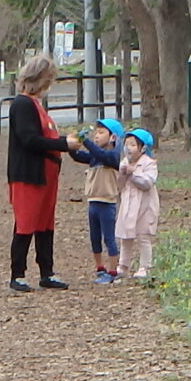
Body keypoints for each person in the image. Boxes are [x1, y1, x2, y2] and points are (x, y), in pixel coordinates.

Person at [3, 52, 76, 292]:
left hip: (47, 174)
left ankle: (47, 271)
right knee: (25, 224)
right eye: (48, 79)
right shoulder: (22, 104)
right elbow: (29, 139)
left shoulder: (36, 104)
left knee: (45, 224)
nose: (49, 85)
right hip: (28, 175)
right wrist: (63, 144)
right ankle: (18, 275)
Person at [73, 116, 126, 285]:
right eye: (96, 132)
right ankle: (100, 268)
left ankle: (112, 271)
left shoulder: (112, 156)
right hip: (93, 202)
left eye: (101, 133)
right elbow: (79, 156)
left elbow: (101, 154)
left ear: (113, 138)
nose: (96, 135)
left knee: (109, 238)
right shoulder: (96, 156)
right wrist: (72, 145)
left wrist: (86, 142)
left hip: (107, 203)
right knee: (94, 237)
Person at [119, 126, 161, 283]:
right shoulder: (124, 162)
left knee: (143, 236)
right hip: (128, 203)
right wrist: (122, 173)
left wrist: (133, 173)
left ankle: (145, 266)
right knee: (125, 235)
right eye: (127, 144)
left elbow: (147, 183)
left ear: (142, 148)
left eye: (132, 144)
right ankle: (123, 265)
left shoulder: (149, 164)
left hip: (145, 204)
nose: (128, 148)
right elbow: (120, 185)